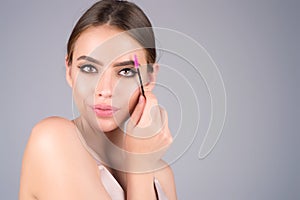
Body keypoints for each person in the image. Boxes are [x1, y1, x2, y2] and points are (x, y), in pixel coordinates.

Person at [19, 0, 177, 199]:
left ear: (150, 77)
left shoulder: (161, 175)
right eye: (89, 68)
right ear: (69, 70)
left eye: (126, 71)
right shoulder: (51, 142)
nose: (105, 90)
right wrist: (140, 166)